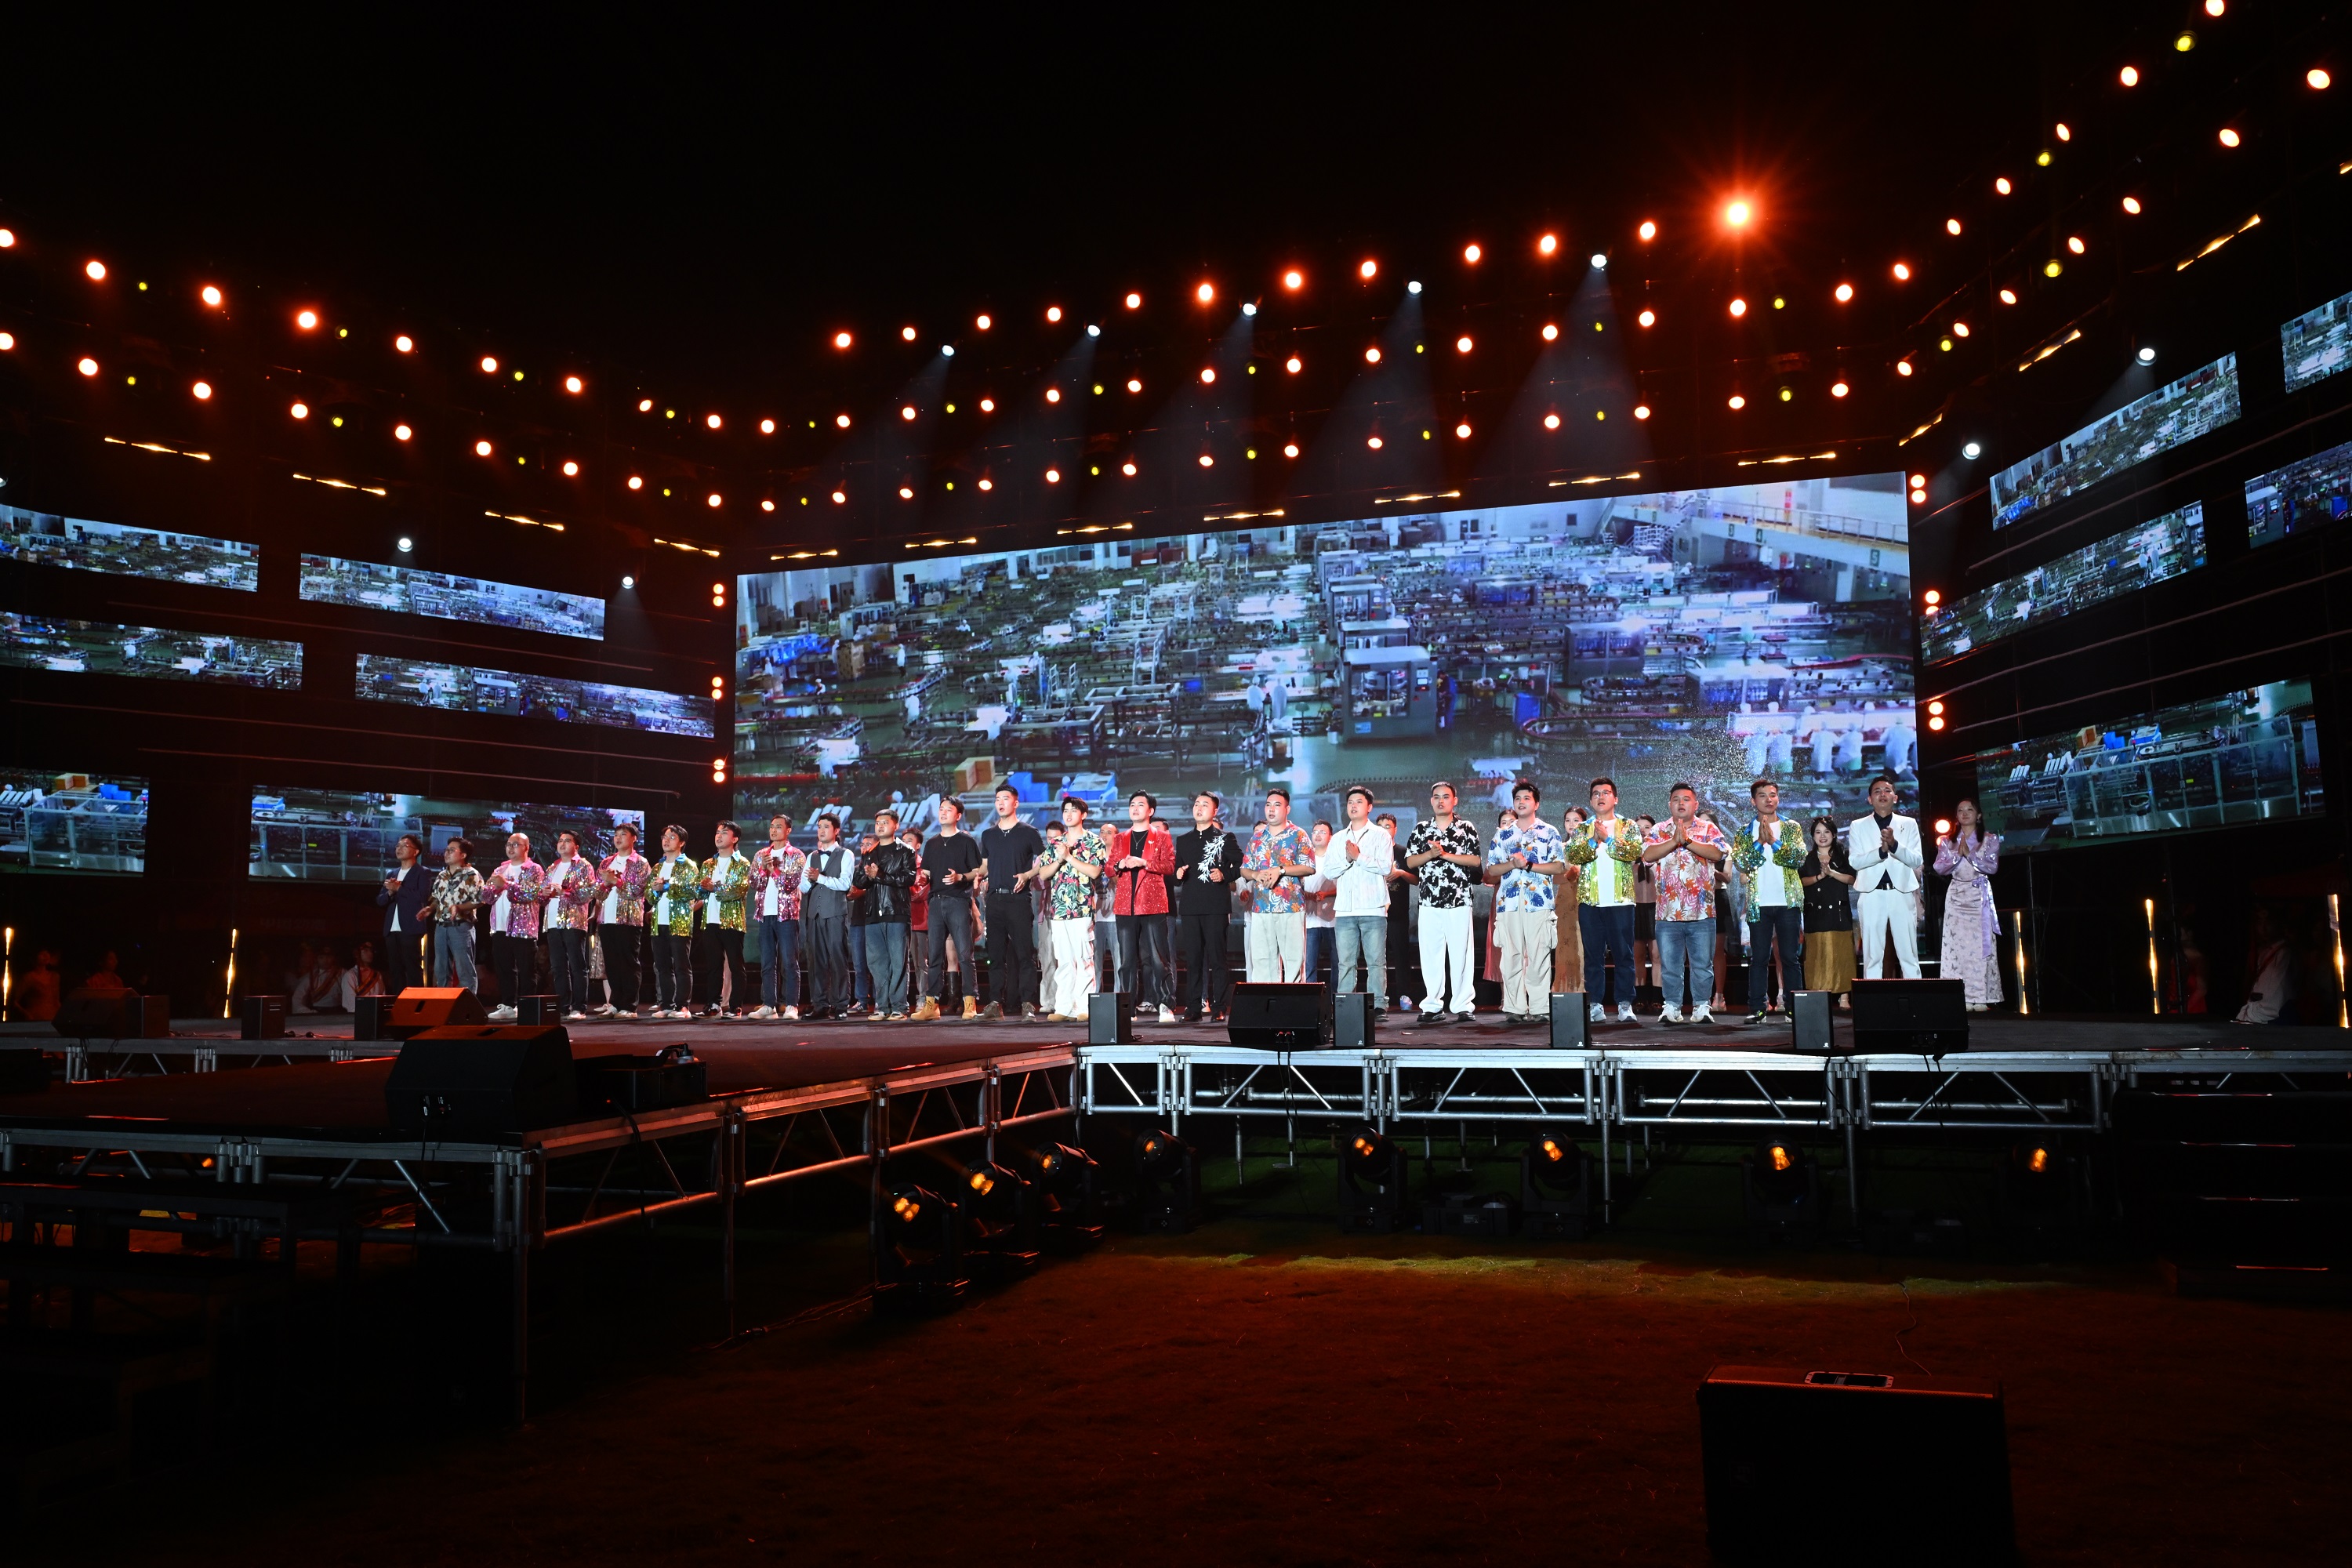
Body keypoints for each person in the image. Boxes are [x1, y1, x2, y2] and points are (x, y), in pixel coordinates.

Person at [1642, 783, 1730, 1024]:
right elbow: (1647, 855)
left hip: (1702, 911)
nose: (1681, 803)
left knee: (1702, 965)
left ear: (1696, 804)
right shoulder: (1660, 829)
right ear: (1669, 804)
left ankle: (1701, 1006)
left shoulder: (1708, 828)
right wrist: (1674, 841)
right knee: (1670, 966)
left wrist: (1687, 841)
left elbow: (1717, 854)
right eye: (1676, 799)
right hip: (1667, 912)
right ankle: (1672, 1006)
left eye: (1686, 799)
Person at [1485, 781, 1568, 1024]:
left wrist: (1529, 865)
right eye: (1518, 798)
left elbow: (1559, 866)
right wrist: (1512, 864)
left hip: (1538, 903)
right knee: (1511, 956)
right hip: (1509, 904)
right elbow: (1491, 871)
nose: (1521, 802)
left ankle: (1541, 1008)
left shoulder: (1549, 832)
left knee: (1539, 956)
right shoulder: (1503, 834)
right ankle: (1515, 1008)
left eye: (1527, 798)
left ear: (1536, 803)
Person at [1564, 778, 1644, 1022]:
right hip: (1590, 902)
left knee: (1624, 955)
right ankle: (1595, 1005)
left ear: (1615, 798)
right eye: (1596, 793)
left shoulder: (1628, 825)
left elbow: (1634, 852)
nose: (1601, 797)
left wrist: (1608, 839)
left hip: (1621, 901)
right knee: (1593, 956)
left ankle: (1624, 1004)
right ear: (1591, 800)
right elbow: (1573, 854)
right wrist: (1593, 840)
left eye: (1606, 793)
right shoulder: (1582, 828)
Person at [1403, 782, 1484, 1022]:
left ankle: (1462, 1005)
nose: (1441, 801)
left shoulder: (1466, 828)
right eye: (1437, 797)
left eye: (1446, 797)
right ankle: (1432, 1006)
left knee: (1461, 955)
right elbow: (1410, 862)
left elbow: (1475, 861)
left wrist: (1446, 855)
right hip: (1429, 901)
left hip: (1459, 900)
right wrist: (1430, 854)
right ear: (1431, 801)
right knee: (1430, 956)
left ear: (1454, 801)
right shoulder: (1421, 829)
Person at [1732, 781, 1808, 1024]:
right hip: (1759, 903)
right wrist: (1759, 842)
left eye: (1772, 795)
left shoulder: (1791, 827)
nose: (1768, 799)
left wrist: (1773, 841)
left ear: (1778, 798)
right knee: (1759, 958)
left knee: (1790, 957)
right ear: (1753, 801)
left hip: (1787, 901)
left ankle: (1794, 1008)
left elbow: (1798, 858)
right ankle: (1758, 1008)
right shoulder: (1745, 831)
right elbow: (1742, 863)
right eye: (1762, 795)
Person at [1319, 786, 1395, 1013]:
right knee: (1345, 963)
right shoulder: (1338, 838)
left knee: (1376, 962)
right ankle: (1345, 1005)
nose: (1353, 806)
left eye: (1359, 802)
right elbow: (1329, 871)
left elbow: (1385, 867)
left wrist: (1359, 857)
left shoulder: (1381, 835)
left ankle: (1378, 1005)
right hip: (1345, 910)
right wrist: (1348, 860)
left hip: (1373, 908)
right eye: (1350, 802)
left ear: (1369, 807)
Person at [1105, 791, 1178, 1022]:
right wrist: (1120, 864)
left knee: (1158, 958)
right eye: (1132, 805)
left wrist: (1144, 862)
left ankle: (1165, 1004)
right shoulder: (1121, 838)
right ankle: (1127, 1008)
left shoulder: (1162, 837)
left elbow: (1169, 866)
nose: (1135, 808)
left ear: (1151, 811)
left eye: (1140, 805)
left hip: (1153, 903)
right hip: (1126, 906)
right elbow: (1108, 868)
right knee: (1127, 961)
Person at [1174, 791, 1242, 1023]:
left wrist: (1225, 874)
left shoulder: (1225, 838)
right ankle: (1193, 1007)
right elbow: (1176, 873)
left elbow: (1241, 865)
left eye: (1205, 804)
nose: (1199, 808)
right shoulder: (1183, 840)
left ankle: (1220, 1007)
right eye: (1196, 804)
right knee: (1193, 960)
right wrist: (1178, 874)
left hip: (1216, 907)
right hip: (1191, 907)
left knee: (1218, 959)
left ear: (1215, 811)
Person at [978, 785, 1046, 1020]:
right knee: (995, 954)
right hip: (994, 900)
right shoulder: (988, 835)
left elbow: (1044, 860)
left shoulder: (1029, 832)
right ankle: (995, 1002)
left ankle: (1027, 1003)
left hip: (1019, 899)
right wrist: (977, 876)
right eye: (997, 799)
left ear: (1015, 803)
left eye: (1005, 799)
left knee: (1024, 953)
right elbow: (985, 866)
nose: (1000, 803)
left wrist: (1028, 875)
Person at [1848, 773, 1924, 978]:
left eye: (1887, 790)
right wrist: (1881, 852)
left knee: (1908, 953)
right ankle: (1872, 997)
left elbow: (1916, 860)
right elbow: (1855, 861)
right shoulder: (1858, 825)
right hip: (1871, 893)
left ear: (1895, 797)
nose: (1883, 794)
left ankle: (1916, 995)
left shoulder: (1909, 823)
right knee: (1872, 954)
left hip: (1901, 892)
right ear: (1869, 799)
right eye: (1877, 791)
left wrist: (1894, 845)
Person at [1040, 797, 1109, 1021]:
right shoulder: (1056, 843)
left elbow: (1095, 871)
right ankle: (1064, 1007)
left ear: (1084, 815)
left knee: (1083, 957)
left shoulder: (1094, 841)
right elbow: (1043, 873)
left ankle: (1084, 1007)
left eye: (1074, 810)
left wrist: (1069, 857)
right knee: (1064, 959)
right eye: (1066, 811)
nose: (1069, 814)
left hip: (1082, 907)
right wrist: (1060, 860)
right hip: (1059, 909)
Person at [916, 797, 983, 1021]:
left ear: (958, 815)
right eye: (941, 809)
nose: (943, 812)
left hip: (958, 902)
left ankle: (970, 1002)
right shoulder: (932, 842)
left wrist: (960, 877)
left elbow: (977, 871)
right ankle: (932, 1004)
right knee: (934, 955)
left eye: (949, 809)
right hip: (936, 902)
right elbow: (926, 873)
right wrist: (922, 878)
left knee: (964, 954)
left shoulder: (966, 840)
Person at [1933, 800, 2003, 1011]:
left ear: (1978, 815)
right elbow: (1939, 867)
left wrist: (1970, 855)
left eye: (1970, 810)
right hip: (1956, 897)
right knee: (1957, 948)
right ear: (1956, 816)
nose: (1965, 813)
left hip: (1978, 897)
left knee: (1980, 947)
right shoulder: (1948, 841)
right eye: (1960, 810)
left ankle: (1980, 996)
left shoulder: (1989, 839)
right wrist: (1957, 856)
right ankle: (1961, 996)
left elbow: (1991, 866)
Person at [1241, 786, 1314, 982]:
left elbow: (1309, 867)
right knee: (1262, 961)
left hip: (1291, 905)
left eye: (1277, 805)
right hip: (1261, 906)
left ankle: (1294, 999)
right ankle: (1266, 1000)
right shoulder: (1257, 837)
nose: (1271, 809)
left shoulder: (1298, 834)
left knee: (1293, 960)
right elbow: (1244, 869)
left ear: (1287, 809)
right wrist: (1255, 874)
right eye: (1268, 805)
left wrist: (1281, 870)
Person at [854, 808, 918, 1021]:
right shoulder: (869, 853)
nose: (880, 826)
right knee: (877, 963)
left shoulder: (906, 851)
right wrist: (869, 876)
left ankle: (899, 1006)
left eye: (885, 822)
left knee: (898, 962)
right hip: (873, 913)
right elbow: (859, 881)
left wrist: (879, 875)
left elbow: (908, 879)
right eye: (878, 823)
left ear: (895, 826)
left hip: (896, 911)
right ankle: (882, 1007)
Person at [745, 815, 803, 1021]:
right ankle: (769, 1005)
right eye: (771, 827)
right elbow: (754, 883)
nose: (773, 830)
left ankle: (792, 1005)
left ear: (788, 830)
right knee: (767, 962)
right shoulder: (761, 854)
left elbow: (790, 884)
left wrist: (774, 871)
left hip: (786, 914)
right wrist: (763, 869)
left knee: (789, 962)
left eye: (778, 826)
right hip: (765, 914)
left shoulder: (796, 855)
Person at [798, 815, 855, 1020]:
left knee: (838, 959)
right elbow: (804, 887)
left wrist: (820, 878)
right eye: (819, 827)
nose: (821, 831)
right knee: (816, 961)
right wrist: (809, 881)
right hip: (814, 915)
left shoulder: (846, 854)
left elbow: (845, 884)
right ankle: (820, 1004)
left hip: (835, 914)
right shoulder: (812, 856)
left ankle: (840, 1005)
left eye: (826, 827)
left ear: (836, 830)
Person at [482, 833, 544, 1020]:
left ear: (527, 848)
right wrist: (493, 888)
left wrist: (507, 885)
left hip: (523, 928)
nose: (511, 848)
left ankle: (528, 1007)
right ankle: (508, 1005)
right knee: (504, 969)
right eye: (509, 844)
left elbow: (531, 894)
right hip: (500, 926)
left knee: (527, 970)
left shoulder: (534, 869)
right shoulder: (500, 869)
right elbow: (487, 898)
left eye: (516, 844)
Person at [538, 829, 598, 1021]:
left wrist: (564, 892)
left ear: (576, 846)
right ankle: (563, 1006)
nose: (562, 844)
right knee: (558, 966)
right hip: (552, 922)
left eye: (567, 841)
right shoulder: (552, 868)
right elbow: (541, 898)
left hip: (573, 922)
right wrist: (544, 893)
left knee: (577, 965)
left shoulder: (583, 865)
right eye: (560, 841)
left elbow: (588, 893)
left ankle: (579, 1007)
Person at [595, 823, 653, 1018]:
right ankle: (615, 1003)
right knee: (612, 964)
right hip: (606, 919)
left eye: (623, 834)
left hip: (629, 920)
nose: (618, 838)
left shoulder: (640, 863)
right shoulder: (606, 862)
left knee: (628, 963)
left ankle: (629, 1006)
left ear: (634, 838)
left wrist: (616, 881)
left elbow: (637, 891)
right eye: (616, 835)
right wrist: (605, 885)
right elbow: (597, 894)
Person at [695, 821, 752, 1018]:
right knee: (713, 966)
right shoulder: (708, 864)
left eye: (724, 833)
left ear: (734, 839)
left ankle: (735, 1006)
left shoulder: (742, 863)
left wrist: (715, 888)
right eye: (717, 832)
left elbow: (739, 890)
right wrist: (702, 887)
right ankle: (713, 1005)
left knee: (736, 966)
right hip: (710, 920)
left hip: (732, 921)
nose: (719, 836)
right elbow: (699, 893)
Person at [1798, 815, 1858, 1004]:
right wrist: (1819, 877)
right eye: (1818, 832)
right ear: (1812, 836)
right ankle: (1818, 996)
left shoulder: (1844, 855)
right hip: (1815, 913)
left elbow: (1853, 879)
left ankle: (1844, 995)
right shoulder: (1807, 858)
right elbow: (1800, 882)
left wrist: (1832, 873)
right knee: (1817, 954)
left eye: (1826, 832)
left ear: (1833, 834)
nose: (1822, 836)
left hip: (1839, 912)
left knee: (1842, 953)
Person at [376, 833, 433, 993]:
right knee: (395, 968)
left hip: (410, 926)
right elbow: (380, 901)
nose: (399, 848)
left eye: (404, 845)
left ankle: (416, 1002)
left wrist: (399, 889)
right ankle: (398, 1001)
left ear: (416, 851)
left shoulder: (422, 872)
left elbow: (422, 896)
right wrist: (390, 893)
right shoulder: (392, 873)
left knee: (412, 967)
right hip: (391, 928)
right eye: (398, 846)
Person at [1376, 812, 1421, 1011]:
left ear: (1395, 829)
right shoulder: (1369, 852)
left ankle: (1404, 995)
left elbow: (1416, 880)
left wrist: (1401, 873)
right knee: (1377, 958)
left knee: (1401, 957)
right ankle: (1379, 998)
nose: (1384, 830)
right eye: (1380, 826)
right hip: (1376, 913)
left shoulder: (1403, 852)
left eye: (1388, 826)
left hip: (1398, 913)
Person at [428, 837, 484, 993]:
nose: (447, 853)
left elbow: (480, 900)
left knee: (464, 969)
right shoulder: (442, 875)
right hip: (441, 927)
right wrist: (430, 909)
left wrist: (459, 908)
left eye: (452, 850)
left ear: (463, 855)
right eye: (446, 850)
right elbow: (436, 899)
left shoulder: (472, 874)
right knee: (441, 969)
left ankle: (467, 1003)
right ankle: (443, 1002)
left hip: (461, 927)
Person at [2235, 906, 2296, 1024]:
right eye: (2259, 923)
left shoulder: (2284, 953)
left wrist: (2246, 1019)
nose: (2263, 928)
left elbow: (2269, 1002)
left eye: (2268, 923)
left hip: (2273, 1020)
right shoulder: (2261, 951)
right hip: (2260, 1017)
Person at [1553, 806, 1588, 999]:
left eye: (1576, 820)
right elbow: (1553, 877)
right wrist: (1570, 874)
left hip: (1587, 899)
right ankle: (1565, 990)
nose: (1572, 824)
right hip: (1565, 901)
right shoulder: (1560, 847)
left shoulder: (1591, 847)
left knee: (1585, 945)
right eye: (1568, 820)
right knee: (1565, 945)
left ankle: (1584, 990)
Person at [846, 828, 878, 1014]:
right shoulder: (857, 869)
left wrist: (862, 892)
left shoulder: (880, 868)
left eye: (869, 844)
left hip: (876, 920)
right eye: (862, 844)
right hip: (858, 920)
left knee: (877, 963)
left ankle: (880, 1001)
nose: (864, 847)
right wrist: (851, 894)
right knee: (859, 965)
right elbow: (850, 890)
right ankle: (861, 1000)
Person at [1301, 822, 1338, 985]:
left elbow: (1345, 886)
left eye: (1322, 832)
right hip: (1310, 920)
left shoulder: (1336, 858)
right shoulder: (1305, 858)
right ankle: (1312, 997)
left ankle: (1337, 997)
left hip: (1333, 919)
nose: (1317, 835)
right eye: (1315, 832)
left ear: (1331, 836)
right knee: (1308, 964)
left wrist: (1327, 894)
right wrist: (1309, 895)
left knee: (1338, 962)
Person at [289, 943, 347, 1014]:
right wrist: (306, 1012)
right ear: (316, 959)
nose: (325, 960)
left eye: (329, 957)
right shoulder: (311, 976)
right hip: (317, 1012)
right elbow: (298, 997)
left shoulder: (342, 973)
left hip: (338, 1011)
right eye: (321, 958)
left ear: (333, 958)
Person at [341, 940, 389, 1011]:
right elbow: (351, 1004)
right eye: (366, 951)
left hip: (376, 1013)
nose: (370, 953)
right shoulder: (351, 975)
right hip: (359, 1014)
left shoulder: (377, 975)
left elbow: (383, 997)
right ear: (357, 954)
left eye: (371, 951)